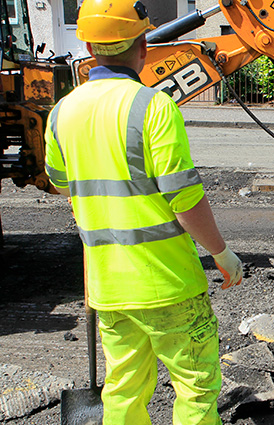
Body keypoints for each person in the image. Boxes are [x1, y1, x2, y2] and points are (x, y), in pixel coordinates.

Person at [44, 1, 243, 423]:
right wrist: (222, 255)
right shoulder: (153, 106)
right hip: (168, 283)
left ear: (89, 44)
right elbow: (185, 199)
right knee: (196, 383)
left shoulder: (62, 112)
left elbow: (63, 184)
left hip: (109, 288)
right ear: (144, 44)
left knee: (124, 388)